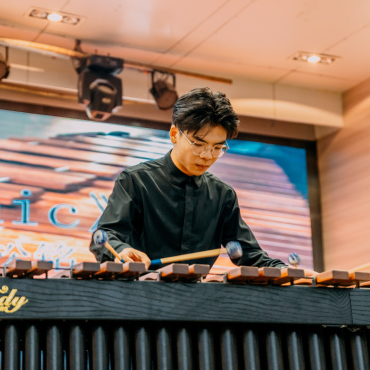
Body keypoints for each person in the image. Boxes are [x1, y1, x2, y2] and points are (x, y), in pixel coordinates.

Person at [90, 86, 287, 270]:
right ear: (174, 134)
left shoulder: (222, 195)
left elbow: (249, 253)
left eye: (217, 148)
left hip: (197, 294)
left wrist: (284, 271)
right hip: (141, 291)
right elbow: (106, 237)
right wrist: (122, 250)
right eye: (198, 145)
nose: (207, 156)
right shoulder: (136, 181)